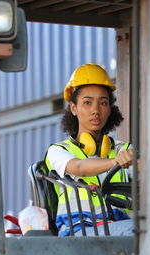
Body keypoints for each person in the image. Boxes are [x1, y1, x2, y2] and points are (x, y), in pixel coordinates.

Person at [45, 62, 134, 236]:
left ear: (110, 109)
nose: (96, 110)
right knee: (144, 235)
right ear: (73, 108)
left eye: (103, 103)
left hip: (120, 229)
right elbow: (79, 167)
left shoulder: (124, 149)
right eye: (87, 103)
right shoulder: (58, 151)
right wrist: (115, 161)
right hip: (79, 233)